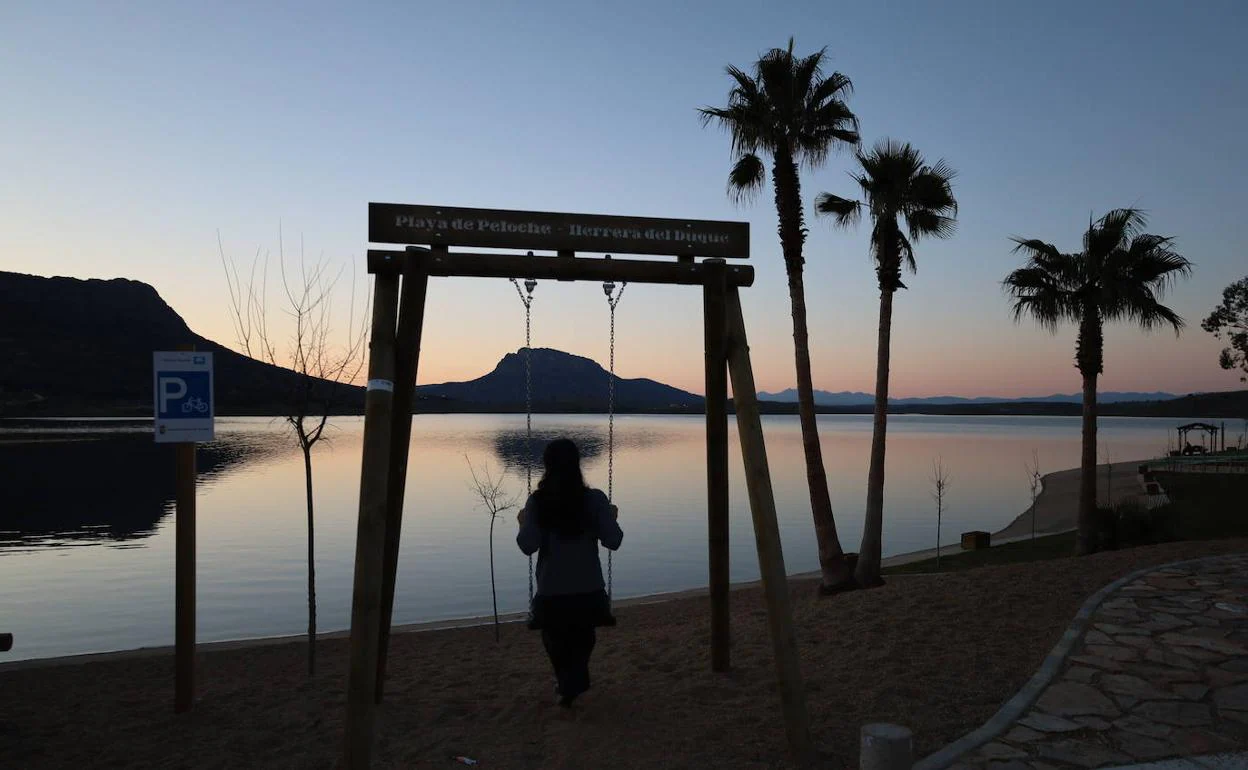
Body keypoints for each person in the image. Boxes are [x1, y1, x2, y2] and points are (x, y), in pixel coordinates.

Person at [517, 438, 623, 707]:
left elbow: (528, 545)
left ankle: (568, 685)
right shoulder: (595, 500)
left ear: (546, 466)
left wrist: (522, 523)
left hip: (552, 596)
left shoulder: (538, 502)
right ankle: (571, 683)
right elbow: (614, 541)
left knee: (556, 640)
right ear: (577, 465)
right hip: (589, 595)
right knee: (582, 638)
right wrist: (610, 517)